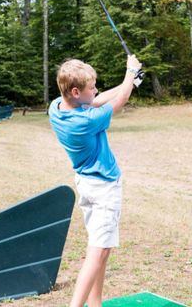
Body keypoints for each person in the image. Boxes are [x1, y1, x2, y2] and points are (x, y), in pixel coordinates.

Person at [48, 55, 142, 307]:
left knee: (103, 247)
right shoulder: (86, 120)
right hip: (104, 187)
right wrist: (130, 71)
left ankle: (96, 303)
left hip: (87, 184)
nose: (97, 90)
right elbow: (119, 99)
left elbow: (96, 99)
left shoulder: (57, 106)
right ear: (76, 91)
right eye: (92, 86)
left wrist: (130, 80)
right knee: (97, 252)